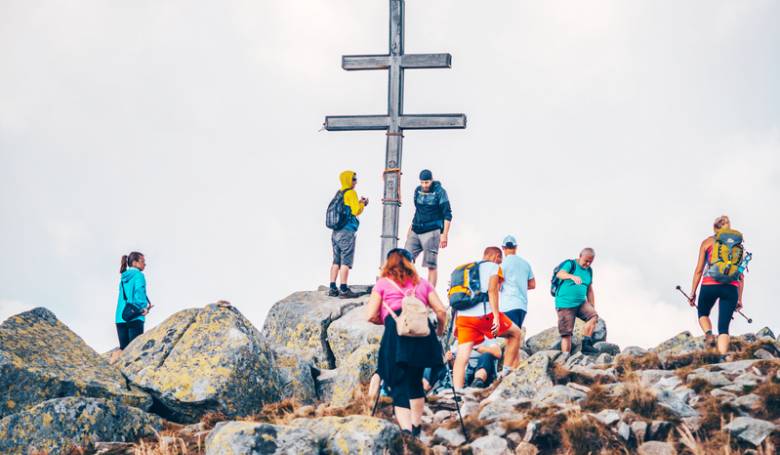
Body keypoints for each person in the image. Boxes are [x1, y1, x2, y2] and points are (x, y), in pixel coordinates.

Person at [366, 248, 447, 437]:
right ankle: (416, 427)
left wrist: (387, 320)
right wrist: (439, 331)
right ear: (411, 263)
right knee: (415, 381)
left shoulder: (383, 284)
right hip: (422, 336)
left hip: (396, 336)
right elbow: (441, 311)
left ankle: (406, 431)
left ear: (388, 263)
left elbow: (370, 314)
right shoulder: (423, 284)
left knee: (398, 383)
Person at [452, 247, 523, 389]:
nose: (501, 262)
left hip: (463, 317)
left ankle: (457, 393)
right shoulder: (493, 267)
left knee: (462, 356)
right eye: (500, 259)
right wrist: (496, 316)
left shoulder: (466, 268)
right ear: (496, 256)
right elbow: (492, 291)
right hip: (484, 315)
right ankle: (506, 374)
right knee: (515, 333)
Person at [687, 215, 746, 355]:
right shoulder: (738, 247)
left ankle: (708, 335)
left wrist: (693, 292)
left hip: (709, 285)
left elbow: (699, 270)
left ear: (715, 228)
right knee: (724, 328)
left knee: (702, 312)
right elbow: (741, 275)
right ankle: (722, 357)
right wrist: (739, 298)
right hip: (731, 287)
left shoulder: (707, 243)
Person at [404, 169, 452, 287]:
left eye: (427, 182)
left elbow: (447, 214)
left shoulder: (440, 192)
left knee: (430, 264)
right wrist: (410, 228)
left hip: (432, 231)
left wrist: (444, 234)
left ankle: (430, 295)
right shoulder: (417, 191)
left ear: (431, 180)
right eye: (422, 182)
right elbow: (418, 211)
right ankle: (411, 287)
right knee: (404, 260)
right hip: (416, 229)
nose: (424, 185)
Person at [328, 170, 368, 299]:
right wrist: (363, 203)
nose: (356, 181)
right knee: (346, 261)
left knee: (336, 260)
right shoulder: (351, 193)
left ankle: (332, 288)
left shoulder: (339, 193)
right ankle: (344, 289)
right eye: (354, 179)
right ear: (348, 180)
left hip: (335, 232)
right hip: (346, 231)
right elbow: (356, 211)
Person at [555, 248, 599, 355]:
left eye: (590, 262)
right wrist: (572, 276)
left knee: (593, 316)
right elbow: (560, 274)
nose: (587, 264)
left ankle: (586, 344)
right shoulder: (571, 264)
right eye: (586, 261)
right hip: (565, 304)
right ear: (580, 256)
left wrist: (592, 305)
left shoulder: (589, 270)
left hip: (581, 303)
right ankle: (566, 357)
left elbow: (589, 289)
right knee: (567, 334)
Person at [111, 252, 152, 363]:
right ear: (135, 263)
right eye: (142, 261)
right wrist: (143, 308)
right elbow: (139, 293)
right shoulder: (139, 275)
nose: (145, 264)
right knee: (134, 354)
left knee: (124, 350)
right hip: (134, 317)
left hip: (121, 317)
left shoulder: (123, 278)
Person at [424, 339, 501, 392]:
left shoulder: (487, 336)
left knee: (486, 355)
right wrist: (450, 359)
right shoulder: (459, 339)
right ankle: (424, 386)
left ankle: (477, 382)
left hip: (482, 372)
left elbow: (497, 353)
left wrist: (474, 346)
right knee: (436, 360)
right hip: (464, 374)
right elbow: (455, 365)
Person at [500, 235, 535, 331]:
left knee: (507, 338)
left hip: (507, 305)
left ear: (503, 248)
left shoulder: (502, 265)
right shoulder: (526, 264)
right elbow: (532, 284)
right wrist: (521, 284)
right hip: (522, 306)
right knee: (515, 336)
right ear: (516, 247)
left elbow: (497, 284)